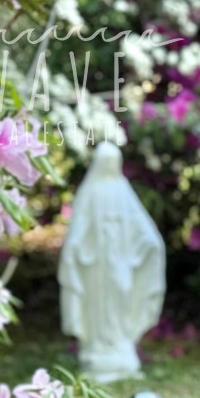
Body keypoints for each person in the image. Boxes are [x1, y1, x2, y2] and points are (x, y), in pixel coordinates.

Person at [58, 141, 165, 382]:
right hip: (97, 262)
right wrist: (74, 247)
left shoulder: (122, 189)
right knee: (98, 305)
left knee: (121, 296)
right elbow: (80, 226)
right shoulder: (91, 191)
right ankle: (97, 349)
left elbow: (140, 223)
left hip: (120, 259)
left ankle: (120, 345)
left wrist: (152, 243)